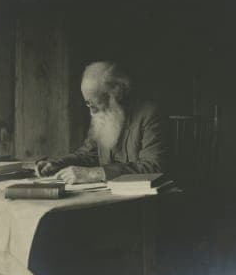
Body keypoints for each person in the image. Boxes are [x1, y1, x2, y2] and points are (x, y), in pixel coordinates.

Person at [36, 61, 171, 184]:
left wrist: (96, 173)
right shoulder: (101, 114)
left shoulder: (150, 114)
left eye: (96, 102)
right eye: (88, 103)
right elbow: (88, 154)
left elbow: (154, 166)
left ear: (117, 94)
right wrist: (57, 164)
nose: (92, 110)